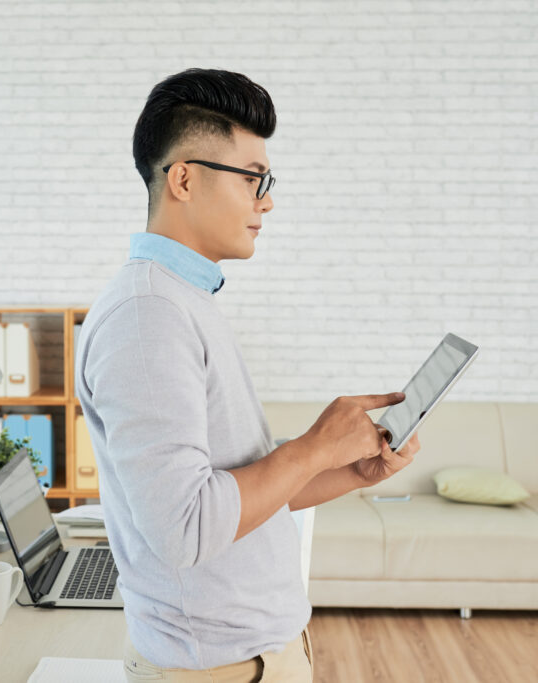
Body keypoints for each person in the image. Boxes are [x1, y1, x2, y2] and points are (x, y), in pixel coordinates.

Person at [74, 68, 422, 682]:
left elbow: (237, 493)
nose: (267, 199)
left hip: (253, 656)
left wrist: (347, 470)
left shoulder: (182, 299)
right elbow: (186, 528)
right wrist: (313, 446)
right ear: (183, 178)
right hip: (222, 670)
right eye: (254, 178)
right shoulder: (147, 317)